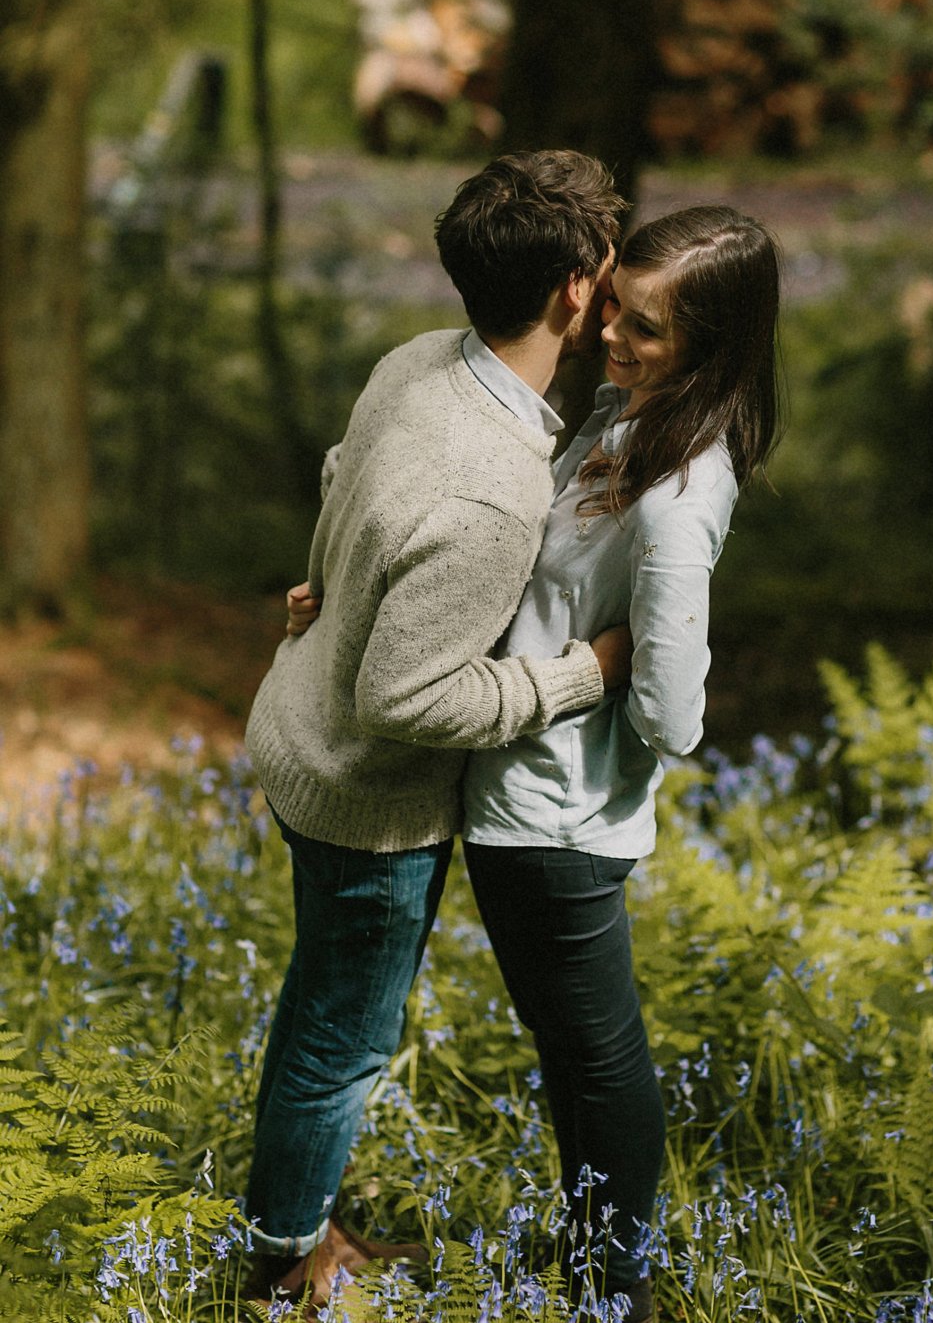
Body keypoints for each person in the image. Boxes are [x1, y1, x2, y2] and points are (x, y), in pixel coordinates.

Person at [240, 150, 633, 1311]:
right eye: (606, 261)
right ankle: (283, 1263)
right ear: (575, 286)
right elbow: (404, 699)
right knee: (343, 1038)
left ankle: (297, 1216)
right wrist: (578, 674)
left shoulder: (418, 359)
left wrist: (328, 585)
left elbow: (346, 477)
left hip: (297, 722)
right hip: (366, 800)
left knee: (316, 1002)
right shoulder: (493, 487)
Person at [460, 205, 782, 1320]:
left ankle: (617, 1288)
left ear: (711, 348)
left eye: (645, 327)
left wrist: (591, 691)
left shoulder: (680, 494)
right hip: (518, 797)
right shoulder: (616, 420)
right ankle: (592, 1261)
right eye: (613, 307)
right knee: (570, 1053)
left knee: (602, 1064)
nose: (609, 334)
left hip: (561, 816)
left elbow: (674, 713)